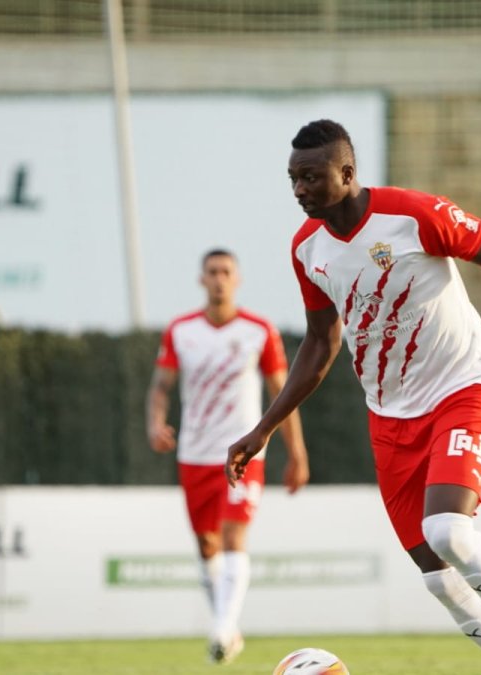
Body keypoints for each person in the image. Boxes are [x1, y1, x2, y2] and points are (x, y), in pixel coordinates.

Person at [227, 120, 481, 675]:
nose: (299, 190)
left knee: (448, 531)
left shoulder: (414, 214)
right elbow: (321, 343)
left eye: (312, 177)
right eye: (293, 179)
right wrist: (265, 427)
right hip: (389, 415)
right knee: (437, 578)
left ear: (347, 174)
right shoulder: (307, 250)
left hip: (461, 387)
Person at [147, 249, 309, 664]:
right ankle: (227, 625)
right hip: (194, 453)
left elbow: (282, 394)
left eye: (226, 272)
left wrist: (297, 454)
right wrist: (155, 423)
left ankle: (220, 629)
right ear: (201, 279)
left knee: (234, 535)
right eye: (212, 272)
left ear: (237, 279)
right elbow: (161, 386)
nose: (219, 279)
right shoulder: (181, 330)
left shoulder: (259, 330)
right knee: (206, 543)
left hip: (244, 451)